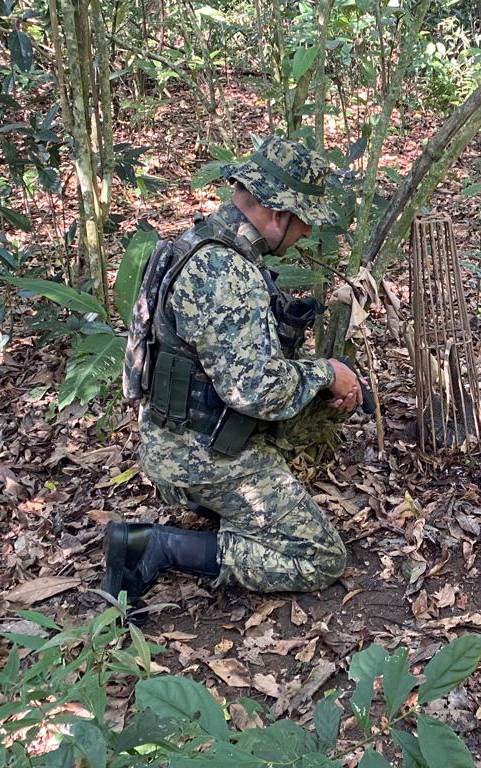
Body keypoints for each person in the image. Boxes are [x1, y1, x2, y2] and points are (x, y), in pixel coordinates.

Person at [104, 137, 364, 604]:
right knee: (323, 558)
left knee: (328, 406)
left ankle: (223, 505)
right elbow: (255, 392)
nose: (306, 235)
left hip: (175, 438)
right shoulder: (225, 273)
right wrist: (325, 371)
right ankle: (154, 547)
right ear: (279, 214)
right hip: (198, 458)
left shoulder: (196, 242)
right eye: (304, 224)